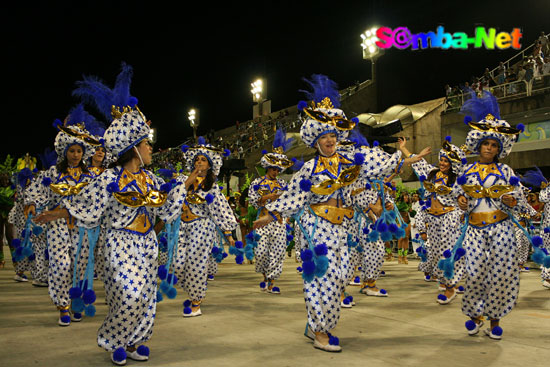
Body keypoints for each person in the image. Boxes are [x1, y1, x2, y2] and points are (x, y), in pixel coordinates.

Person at [253, 74, 422, 352]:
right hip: (318, 228)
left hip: (344, 230)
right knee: (324, 279)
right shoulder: (308, 170)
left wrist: (403, 157)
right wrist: (269, 214)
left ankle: (316, 324)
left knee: (341, 278)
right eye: (325, 136)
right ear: (315, 140)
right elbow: (292, 198)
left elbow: (377, 171)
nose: (330, 140)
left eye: (333, 135)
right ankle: (320, 330)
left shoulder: (350, 164)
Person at [36, 63, 187, 365]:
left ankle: (135, 341)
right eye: (146, 144)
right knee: (127, 295)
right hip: (119, 244)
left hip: (146, 243)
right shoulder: (109, 178)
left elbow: (169, 209)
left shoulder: (151, 179)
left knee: (145, 297)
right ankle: (113, 339)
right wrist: (52, 214)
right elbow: (84, 204)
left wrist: (183, 184)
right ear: (133, 148)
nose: (150, 148)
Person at [456, 90, 536, 339]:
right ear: (478, 144)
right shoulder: (466, 170)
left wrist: (512, 201)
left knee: (500, 275)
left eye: (494, 144)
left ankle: (494, 321)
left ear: (500, 148)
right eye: (486, 143)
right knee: (474, 273)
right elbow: (457, 196)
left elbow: (520, 201)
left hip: (501, 229)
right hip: (474, 230)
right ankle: (474, 315)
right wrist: (460, 200)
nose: (489, 148)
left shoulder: (506, 170)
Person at [25, 105, 98, 325]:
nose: (75, 155)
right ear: (64, 151)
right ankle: (63, 305)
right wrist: (31, 205)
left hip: (83, 226)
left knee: (79, 266)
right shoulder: (53, 173)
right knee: (61, 265)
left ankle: (77, 302)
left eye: (79, 151)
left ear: (84, 152)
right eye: (72, 151)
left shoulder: (91, 176)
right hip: (56, 225)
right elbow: (36, 191)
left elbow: (95, 201)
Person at [173, 137, 237, 317]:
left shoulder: (212, 187)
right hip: (182, 227)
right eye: (196, 160)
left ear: (210, 165)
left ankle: (196, 302)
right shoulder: (182, 180)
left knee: (196, 266)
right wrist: (189, 180)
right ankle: (193, 291)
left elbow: (221, 211)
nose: (199, 163)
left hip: (202, 228)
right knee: (177, 264)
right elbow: (172, 197)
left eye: (203, 160)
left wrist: (229, 235)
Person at [400, 136, 467, 304]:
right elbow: (416, 161)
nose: (443, 163)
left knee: (447, 252)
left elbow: (463, 197)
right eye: (442, 160)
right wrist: (403, 148)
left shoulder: (457, 179)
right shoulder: (431, 173)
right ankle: (446, 281)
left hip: (449, 218)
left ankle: (450, 287)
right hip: (433, 219)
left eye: (447, 161)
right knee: (435, 253)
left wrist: (463, 202)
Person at [248, 128, 294, 294]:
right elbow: (253, 201)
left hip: (279, 222)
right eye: (273, 168)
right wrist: (269, 197)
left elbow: (289, 203)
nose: (276, 171)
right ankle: (265, 276)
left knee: (277, 253)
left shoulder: (284, 185)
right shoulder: (257, 183)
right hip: (263, 221)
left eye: (278, 169)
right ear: (268, 168)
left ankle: (272, 282)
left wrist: (287, 217)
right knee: (260, 253)